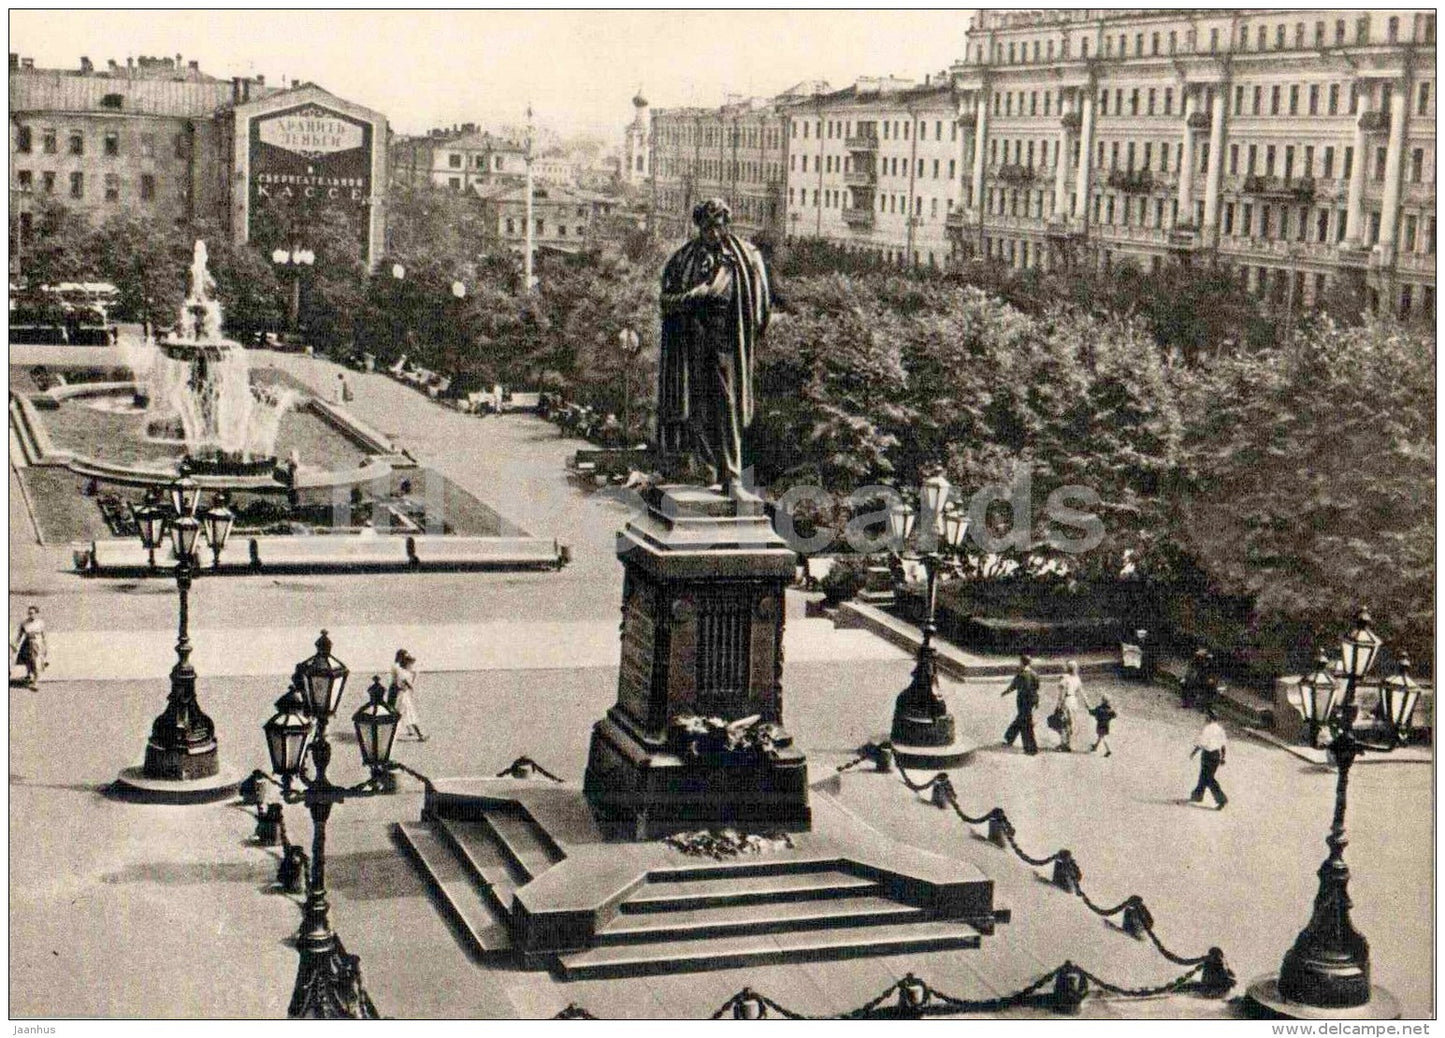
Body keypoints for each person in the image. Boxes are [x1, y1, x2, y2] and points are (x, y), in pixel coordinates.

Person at [658, 197, 771, 493]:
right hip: (692, 345)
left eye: (718, 226)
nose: (713, 233)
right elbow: (665, 301)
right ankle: (707, 470)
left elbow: (761, 311)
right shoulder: (682, 260)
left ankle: (732, 475)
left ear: (726, 225)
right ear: (699, 226)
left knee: (727, 407)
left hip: (726, 346)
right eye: (707, 227)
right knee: (695, 409)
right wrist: (693, 297)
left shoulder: (745, 260)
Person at [1000, 655, 1040, 755]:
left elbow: (1013, 686)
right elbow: (1037, 688)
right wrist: (1036, 701)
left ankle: (1030, 748)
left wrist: (1005, 692)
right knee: (1022, 719)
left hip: (1022, 701)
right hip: (1031, 701)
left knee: (1025, 724)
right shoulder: (1034, 674)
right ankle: (1009, 737)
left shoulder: (1021, 674)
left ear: (1022, 663)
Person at [1189, 709, 1228, 809]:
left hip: (1207, 755)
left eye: (1207, 717)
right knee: (1204, 775)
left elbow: (1201, 743)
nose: (1205, 718)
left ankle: (1221, 799)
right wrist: (1223, 757)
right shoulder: (1220, 729)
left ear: (1209, 718)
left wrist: (1194, 752)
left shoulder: (1207, 729)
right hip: (1216, 755)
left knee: (1208, 778)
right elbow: (1223, 745)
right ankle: (1197, 795)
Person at [389, 650, 427, 742]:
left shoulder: (397, 667)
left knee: (400, 712)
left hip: (398, 692)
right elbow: (406, 682)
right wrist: (414, 679)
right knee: (407, 712)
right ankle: (420, 735)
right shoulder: (398, 668)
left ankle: (410, 731)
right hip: (400, 693)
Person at [1052, 660, 1090, 752]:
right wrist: (1087, 703)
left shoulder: (1064, 680)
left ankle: (1063, 744)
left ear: (1067, 668)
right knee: (1070, 722)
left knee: (1062, 722)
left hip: (1067, 701)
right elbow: (1081, 692)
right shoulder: (1077, 679)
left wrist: (1058, 706)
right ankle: (1068, 743)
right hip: (1074, 701)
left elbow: (1061, 695)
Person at [12, 605, 47, 689]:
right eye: (29, 613)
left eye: (32, 613)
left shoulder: (40, 623)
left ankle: (35, 682)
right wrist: (15, 645)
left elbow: (44, 636)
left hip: (37, 644)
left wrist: (45, 646)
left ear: (36, 613)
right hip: (27, 643)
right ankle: (29, 675)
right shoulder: (24, 623)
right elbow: (20, 635)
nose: (31, 615)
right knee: (27, 661)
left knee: (36, 662)